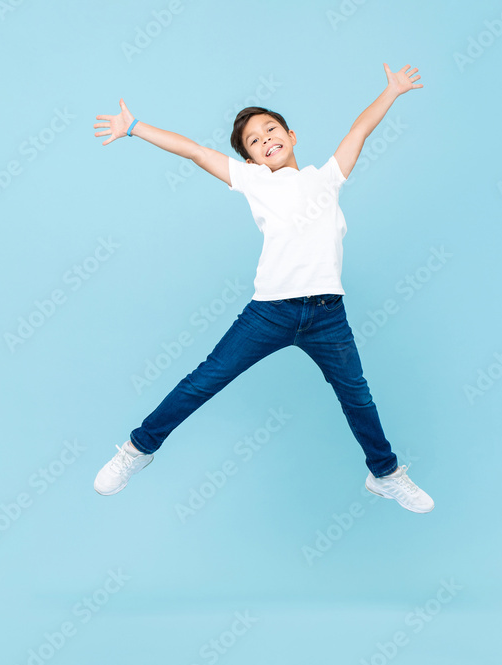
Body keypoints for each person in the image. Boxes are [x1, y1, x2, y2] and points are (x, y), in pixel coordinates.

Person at [91, 63, 433, 513]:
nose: (266, 139)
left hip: (328, 315)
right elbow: (194, 152)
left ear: (291, 135)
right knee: (204, 381)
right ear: (252, 159)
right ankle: (137, 449)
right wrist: (134, 127)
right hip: (270, 312)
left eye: (271, 129)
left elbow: (360, 129)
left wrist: (391, 92)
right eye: (254, 141)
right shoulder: (255, 182)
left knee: (358, 396)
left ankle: (384, 474)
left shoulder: (326, 177)